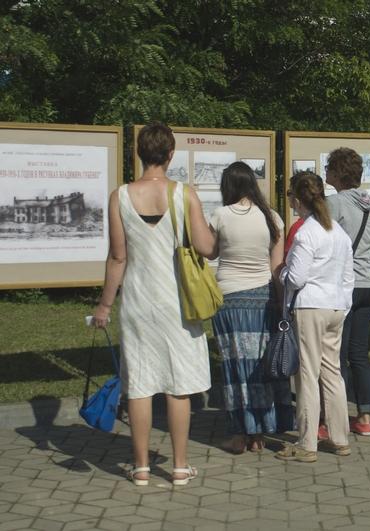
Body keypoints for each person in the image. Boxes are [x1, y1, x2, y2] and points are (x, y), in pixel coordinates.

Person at [91, 123, 214, 486]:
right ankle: (179, 466)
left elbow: (118, 257)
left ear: (139, 154)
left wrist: (104, 306)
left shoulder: (120, 197)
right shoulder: (185, 194)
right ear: (171, 155)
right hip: (178, 301)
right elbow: (206, 247)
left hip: (137, 301)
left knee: (140, 384)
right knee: (178, 384)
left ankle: (141, 467)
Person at [208, 161, 293, 454]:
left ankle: (240, 434)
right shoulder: (272, 218)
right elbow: (277, 267)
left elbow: (210, 252)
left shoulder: (220, 215)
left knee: (235, 367)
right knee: (261, 366)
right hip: (263, 298)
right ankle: (260, 432)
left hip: (229, 299)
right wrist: (281, 303)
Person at [276, 172, 354, 462]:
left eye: (291, 197)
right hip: (335, 306)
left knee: (308, 374)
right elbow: (348, 276)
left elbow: (296, 277)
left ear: (298, 200)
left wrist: (281, 273)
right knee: (332, 372)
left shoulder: (306, 232)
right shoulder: (338, 231)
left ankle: (307, 443)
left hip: (310, 306)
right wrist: (344, 304)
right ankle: (340, 438)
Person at [325, 148, 370, 436]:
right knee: (360, 354)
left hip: (345, 288)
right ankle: (364, 417)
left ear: (338, 172)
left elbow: (323, 242)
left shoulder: (334, 203)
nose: (325, 172)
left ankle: (334, 419)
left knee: (336, 355)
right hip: (369, 286)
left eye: (328, 167)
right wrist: (365, 264)